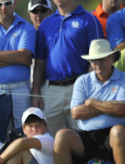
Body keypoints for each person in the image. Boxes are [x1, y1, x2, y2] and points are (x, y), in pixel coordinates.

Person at [48, 39, 125, 164]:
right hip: (88, 135)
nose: (98, 64)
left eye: (102, 59)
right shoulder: (83, 80)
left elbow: (122, 110)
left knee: (117, 131)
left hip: (115, 134)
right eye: (94, 60)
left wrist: (93, 102)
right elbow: (76, 112)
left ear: (111, 59)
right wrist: (109, 106)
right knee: (61, 136)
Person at [30, 0, 104, 136]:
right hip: (51, 91)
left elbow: (96, 59)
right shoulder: (46, 24)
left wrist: (88, 89)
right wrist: (35, 92)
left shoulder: (89, 19)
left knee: (82, 139)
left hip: (78, 88)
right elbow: (40, 62)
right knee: (53, 142)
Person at [0, 0, 36, 134]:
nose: (3, 8)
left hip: (20, 88)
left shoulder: (27, 27)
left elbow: (26, 58)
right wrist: (17, 57)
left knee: (23, 134)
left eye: (7, 3)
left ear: (14, 3)